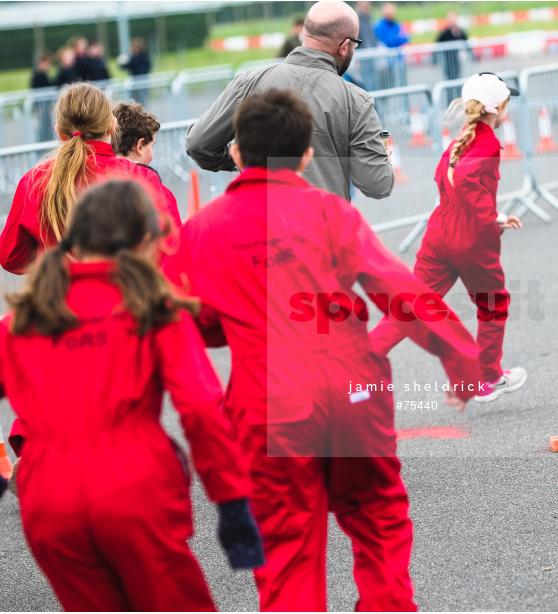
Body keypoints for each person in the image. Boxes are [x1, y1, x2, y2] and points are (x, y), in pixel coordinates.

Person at [164, 88, 481, 611]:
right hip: (353, 384)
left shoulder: (202, 231)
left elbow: (189, 319)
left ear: (237, 152)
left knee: (287, 547)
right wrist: (460, 358)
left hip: (269, 399)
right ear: (307, 153)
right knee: (379, 521)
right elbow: (398, 289)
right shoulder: (332, 212)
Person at [0, 180, 264, 611]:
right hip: (133, 487)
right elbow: (200, 406)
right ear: (145, 242)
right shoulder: (153, 309)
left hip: (48, 499)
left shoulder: (26, 318)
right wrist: (230, 499)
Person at [370, 73, 527, 403]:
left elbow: (444, 177)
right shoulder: (485, 142)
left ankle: (362, 358)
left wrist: (469, 211)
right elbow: (467, 178)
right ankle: (486, 379)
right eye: (506, 106)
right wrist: (491, 216)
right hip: (470, 238)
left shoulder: (461, 140)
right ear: (496, 108)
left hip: (440, 231)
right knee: (493, 306)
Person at [185, 0, 394, 202]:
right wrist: (378, 158)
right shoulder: (357, 101)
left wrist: (246, 158)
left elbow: (198, 144)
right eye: (355, 45)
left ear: (305, 33)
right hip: (323, 229)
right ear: (344, 46)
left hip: (258, 226)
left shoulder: (248, 82)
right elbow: (377, 184)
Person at [0, 82, 181, 277]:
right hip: (127, 296)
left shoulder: (35, 181)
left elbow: (12, 256)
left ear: (60, 132)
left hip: (61, 296)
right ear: (112, 125)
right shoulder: (141, 177)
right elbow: (173, 245)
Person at [112, 101, 177, 207]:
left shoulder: (97, 174)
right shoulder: (147, 181)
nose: (152, 153)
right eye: (151, 146)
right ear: (140, 146)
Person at [374, 2, 409, 90]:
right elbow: (387, 41)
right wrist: (397, 39)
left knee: (402, 85)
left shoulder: (397, 24)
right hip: (385, 64)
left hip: (399, 61)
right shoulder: (379, 26)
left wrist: (395, 40)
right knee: (386, 87)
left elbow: (406, 37)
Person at [436, 12, 468, 82]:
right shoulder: (444, 33)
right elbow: (438, 42)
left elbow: (465, 39)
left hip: (457, 60)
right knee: (449, 78)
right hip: (447, 60)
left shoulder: (459, 31)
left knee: (458, 77)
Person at [30, 52, 55, 143]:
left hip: (45, 106)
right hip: (42, 107)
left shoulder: (43, 75)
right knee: (44, 127)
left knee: (47, 125)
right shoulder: (38, 76)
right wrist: (38, 107)